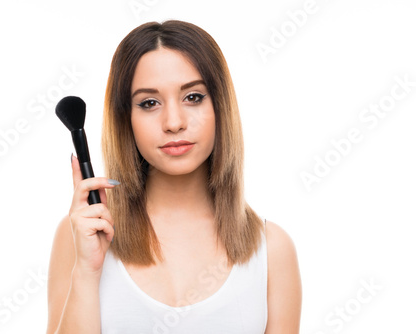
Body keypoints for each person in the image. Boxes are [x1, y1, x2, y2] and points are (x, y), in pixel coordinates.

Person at [46, 20, 301, 334]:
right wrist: (86, 271)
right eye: (149, 103)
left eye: (193, 97)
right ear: (126, 119)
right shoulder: (82, 235)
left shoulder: (271, 249)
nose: (174, 122)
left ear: (221, 106)